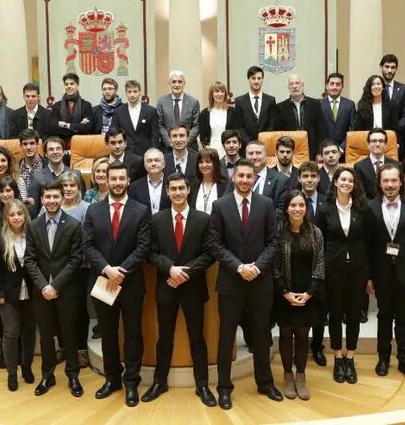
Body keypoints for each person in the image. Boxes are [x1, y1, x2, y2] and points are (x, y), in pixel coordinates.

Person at [209, 158, 282, 409]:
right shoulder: (219, 206)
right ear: (233, 177)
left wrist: (256, 267)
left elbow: (274, 242)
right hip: (231, 282)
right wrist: (239, 267)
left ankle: (265, 383)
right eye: (240, 176)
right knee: (226, 336)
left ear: (255, 178)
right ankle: (224, 387)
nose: (244, 180)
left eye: (249, 176)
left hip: (260, 282)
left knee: (262, 335)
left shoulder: (266, 204)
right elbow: (215, 244)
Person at [142, 173, 216, 406]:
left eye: (181, 188)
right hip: (167, 287)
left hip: (193, 288)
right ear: (167, 192)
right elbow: (150, 252)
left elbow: (209, 253)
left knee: (198, 339)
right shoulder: (156, 220)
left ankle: (202, 385)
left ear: (188, 190)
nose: (177, 193)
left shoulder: (203, 219)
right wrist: (170, 270)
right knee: (164, 338)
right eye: (173, 189)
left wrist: (184, 273)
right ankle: (159, 382)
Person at [83, 161, 151, 407]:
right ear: (106, 181)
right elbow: (88, 246)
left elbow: (143, 247)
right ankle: (112, 379)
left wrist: (120, 271)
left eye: (122, 179)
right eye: (114, 179)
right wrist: (107, 269)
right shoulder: (93, 211)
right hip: (103, 281)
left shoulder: (141, 210)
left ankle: (131, 381)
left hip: (131, 283)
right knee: (108, 333)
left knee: (133, 334)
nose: (118, 183)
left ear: (128, 181)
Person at [365, 164, 405, 382]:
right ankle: (383, 359)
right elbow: (367, 246)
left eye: (393, 181)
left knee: (404, 318)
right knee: (383, 317)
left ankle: (404, 359)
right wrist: (369, 276)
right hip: (381, 275)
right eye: (385, 181)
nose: (390, 185)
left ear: (401, 182)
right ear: (379, 183)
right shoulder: (369, 208)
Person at [24, 182, 84, 397]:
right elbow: (29, 260)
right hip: (42, 292)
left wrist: (56, 285)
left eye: (55, 197)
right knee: (47, 336)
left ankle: (73, 376)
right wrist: (44, 286)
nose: (51, 201)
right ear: (42, 199)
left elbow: (76, 259)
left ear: (62, 198)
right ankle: (47, 375)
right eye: (47, 197)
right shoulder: (33, 226)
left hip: (66, 290)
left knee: (69, 334)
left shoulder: (74, 225)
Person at [318, 167, 370, 384]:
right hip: (334, 268)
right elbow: (319, 241)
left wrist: (369, 274)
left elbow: (369, 242)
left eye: (350, 180)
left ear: (354, 184)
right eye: (343, 179)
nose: (346, 183)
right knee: (336, 314)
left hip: (358, 268)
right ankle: (338, 357)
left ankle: (351, 356)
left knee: (354, 314)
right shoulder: (324, 209)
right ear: (335, 182)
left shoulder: (363, 208)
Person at [272, 190, 325, 401]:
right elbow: (274, 265)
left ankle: (301, 377)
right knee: (286, 333)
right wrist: (285, 292)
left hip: (307, 294)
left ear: (306, 207)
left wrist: (310, 292)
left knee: (303, 334)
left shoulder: (315, 233)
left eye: (301, 205)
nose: (297, 209)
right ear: (286, 207)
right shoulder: (278, 232)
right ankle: (287, 376)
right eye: (293, 205)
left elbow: (320, 263)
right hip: (285, 292)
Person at [0, 198, 37, 392]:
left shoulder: (33, 234)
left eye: (19, 213)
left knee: (30, 331)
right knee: (11, 333)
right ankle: (11, 373)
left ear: (25, 215)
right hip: (7, 294)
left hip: (31, 293)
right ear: (6, 217)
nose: (16, 217)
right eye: (12, 214)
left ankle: (27, 367)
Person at [46, 172, 92, 366]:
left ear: (79, 188)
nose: (69, 189)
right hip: (55, 268)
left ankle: (81, 349)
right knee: (58, 310)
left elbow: (89, 238)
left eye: (73, 185)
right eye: (64, 185)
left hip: (80, 266)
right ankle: (64, 347)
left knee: (80, 309)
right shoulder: (49, 207)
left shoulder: (86, 209)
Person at [297, 161, 327, 368]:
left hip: (320, 263)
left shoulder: (327, 202)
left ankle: (317, 346)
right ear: (299, 178)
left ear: (318, 178)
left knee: (319, 308)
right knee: (298, 306)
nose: (309, 180)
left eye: (312, 176)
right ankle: (298, 345)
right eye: (305, 176)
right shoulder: (294, 201)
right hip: (297, 263)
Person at [226, 140, 290, 216]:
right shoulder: (236, 178)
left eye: (258, 153)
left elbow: (281, 211)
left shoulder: (281, 180)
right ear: (245, 156)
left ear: (267, 156)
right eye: (250, 153)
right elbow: (226, 204)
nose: (254, 157)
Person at [28, 137, 86, 213]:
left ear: (63, 152)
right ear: (45, 154)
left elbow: (82, 200)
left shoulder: (76, 174)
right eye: (51, 149)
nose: (55, 152)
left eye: (58, 148)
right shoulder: (37, 177)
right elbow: (34, 209)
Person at [275, 74, 326, 159]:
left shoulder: (315, 104)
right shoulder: (280, 107)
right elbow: (279, 133)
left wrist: (319, 153)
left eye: (297, 83)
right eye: (291, 84)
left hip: (311, 150)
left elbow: (321, 130)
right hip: (288, 150)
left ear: (302, 85)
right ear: (288, 87)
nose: (295, 86)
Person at [110, 79, 161, 157]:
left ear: (140, 92)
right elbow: (114, 133)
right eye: (129, 92)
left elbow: (155, 135)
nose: (132, 95)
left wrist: (154, 153)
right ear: (126, 93)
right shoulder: (118, 112)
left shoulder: (151, 111)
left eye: (135, 91)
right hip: (125, 153)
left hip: (146, 154)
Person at [49, 73, 93, 155]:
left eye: (72, 84)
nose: (69, 86)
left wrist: (65, 125)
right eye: (66, 84)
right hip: (61, 148)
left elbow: (87, 128)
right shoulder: (57, 106)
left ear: (77, 85)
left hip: (81, 146)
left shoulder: (86, 105)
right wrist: (78, 126)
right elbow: (53, 128)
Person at [379, 54, 405, 159]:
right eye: (387, 67)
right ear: (381, 67)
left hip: (399, 139)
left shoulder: (403, 89)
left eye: (393, 67)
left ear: (396, 69)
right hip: (377, 139)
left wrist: (392, 132)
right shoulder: (374, 87)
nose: (390, 70)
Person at [156, 71, 200, 151]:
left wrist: (185, 141)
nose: (177, 85)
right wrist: (170, 142)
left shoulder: (193, 102)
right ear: (169, 84)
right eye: (174, 82)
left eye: (180, 82)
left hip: (189, 147)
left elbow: (196, 125)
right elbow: (159, 125)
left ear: (184, 83)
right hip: (168, 148)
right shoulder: (162, 102)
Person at [234, 66, 277, 145]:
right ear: (249, 80)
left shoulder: (270, 100)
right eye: (253, 78)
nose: (256, 81)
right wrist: (250, 143)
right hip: (246, 146)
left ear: (262, 80)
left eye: (259, 78)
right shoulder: (239, 101)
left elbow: (272, 125)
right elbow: (239, 126)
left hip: (266, 145)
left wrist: (263, 142)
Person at [354, 128, 400, 200]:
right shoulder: (359, 166)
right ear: (368, 144)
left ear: (386, 145)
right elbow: (361, 193)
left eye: (381, 141)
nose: (377, 144)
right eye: (374, 141)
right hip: (369, 208)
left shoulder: (396, 165)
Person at [198, 81, 240, 159]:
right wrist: (207, 148)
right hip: (211, 150)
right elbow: (202, 135)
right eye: (217, 91)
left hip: (229, 148)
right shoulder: (204, 113)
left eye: (222, 91)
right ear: (212, 94)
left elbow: (236, 132)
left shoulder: (232, 112)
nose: (220, 94)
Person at [129, 148, 171, 219]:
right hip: (143, 228)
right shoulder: (134, 187)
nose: (153, 163)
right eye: (149, 161)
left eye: (157, 160)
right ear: (144, 165)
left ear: (164, 164)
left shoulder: (172, 184)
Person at [320, 73, 356, 149]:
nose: (334, 87)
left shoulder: (349, 104)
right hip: (324, 150)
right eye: (332, 84)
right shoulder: (318, 104)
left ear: (342, 87)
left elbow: (353, 129)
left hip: (344, 150)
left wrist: (342, 148)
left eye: (338, 84)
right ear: (327, 86)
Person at [188, 147, 228, 214]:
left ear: (215, 163)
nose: (204, 165)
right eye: (201, 162)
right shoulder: (192, 184)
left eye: (208, 161)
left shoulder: (225, 185)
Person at [16, 129, 45, 200]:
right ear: (20, 146)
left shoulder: (48, 166)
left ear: (38, 145)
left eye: (32, 143)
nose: (29, 147)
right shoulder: (15, 168)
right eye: (25, 144)